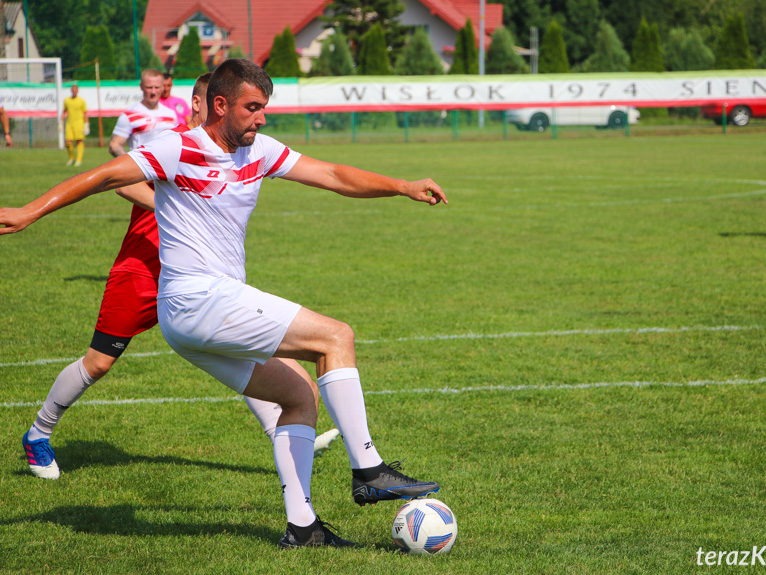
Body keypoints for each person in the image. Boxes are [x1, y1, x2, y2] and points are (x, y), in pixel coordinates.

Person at [0, 58, 447, 549]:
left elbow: (334, 175)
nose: (261, 118)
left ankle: (303, 528)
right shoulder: (179, 147)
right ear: (220, 105)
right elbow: (105, 176)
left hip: (190, 318)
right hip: (200, 299)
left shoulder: (261, 151)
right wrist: (29, 211)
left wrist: (401, 186)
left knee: (298, 399)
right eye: (253, 108)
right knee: (335, 336)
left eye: (264, 108)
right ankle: (369, 468)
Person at [20, 71, 338, 480]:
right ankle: (39, 433)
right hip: (143, 268)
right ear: (201, 104)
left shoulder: (233, 151)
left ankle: (285, 431)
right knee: (98, 363)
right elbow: (120, 185)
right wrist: (178, 209)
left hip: (200, 281)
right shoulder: (172, 145)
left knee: (245, 349)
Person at [109, 69, 179, 158]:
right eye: (149, 87)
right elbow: (114, 145)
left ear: (162, 87)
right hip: (141, 172)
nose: (153, 92)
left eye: (157, 87)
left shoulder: (171, 114)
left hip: (167, 171)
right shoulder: (129, 116)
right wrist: (134, 165)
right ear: (141, 86)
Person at [63, 84, 88, 166]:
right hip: (70, 123)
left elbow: (85, 113)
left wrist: (86, 124)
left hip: (79, 123)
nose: (74, 91)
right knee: (67, 141)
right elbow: (64, 111)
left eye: (75, 89)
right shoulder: (67, 100)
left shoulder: (81, 101)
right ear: (71, 90)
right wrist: (60, 122)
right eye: (73, 89)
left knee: (79, 140)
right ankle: (71, 158)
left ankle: (79, 160)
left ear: (77, 91)